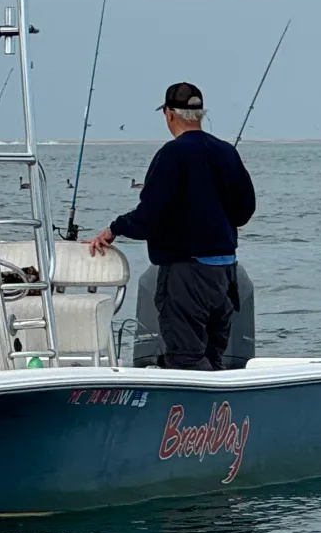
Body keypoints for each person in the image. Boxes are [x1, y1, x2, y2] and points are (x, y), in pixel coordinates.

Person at [85, 83, 256, 371]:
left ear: (169, 114)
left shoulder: (172, 154)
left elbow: (149, 217)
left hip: (187, 277)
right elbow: (244, 211)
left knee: (184, 359)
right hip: (226, 275)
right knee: (213, 358)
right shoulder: (227, 152)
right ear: (200, 114)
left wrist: (114, 229)